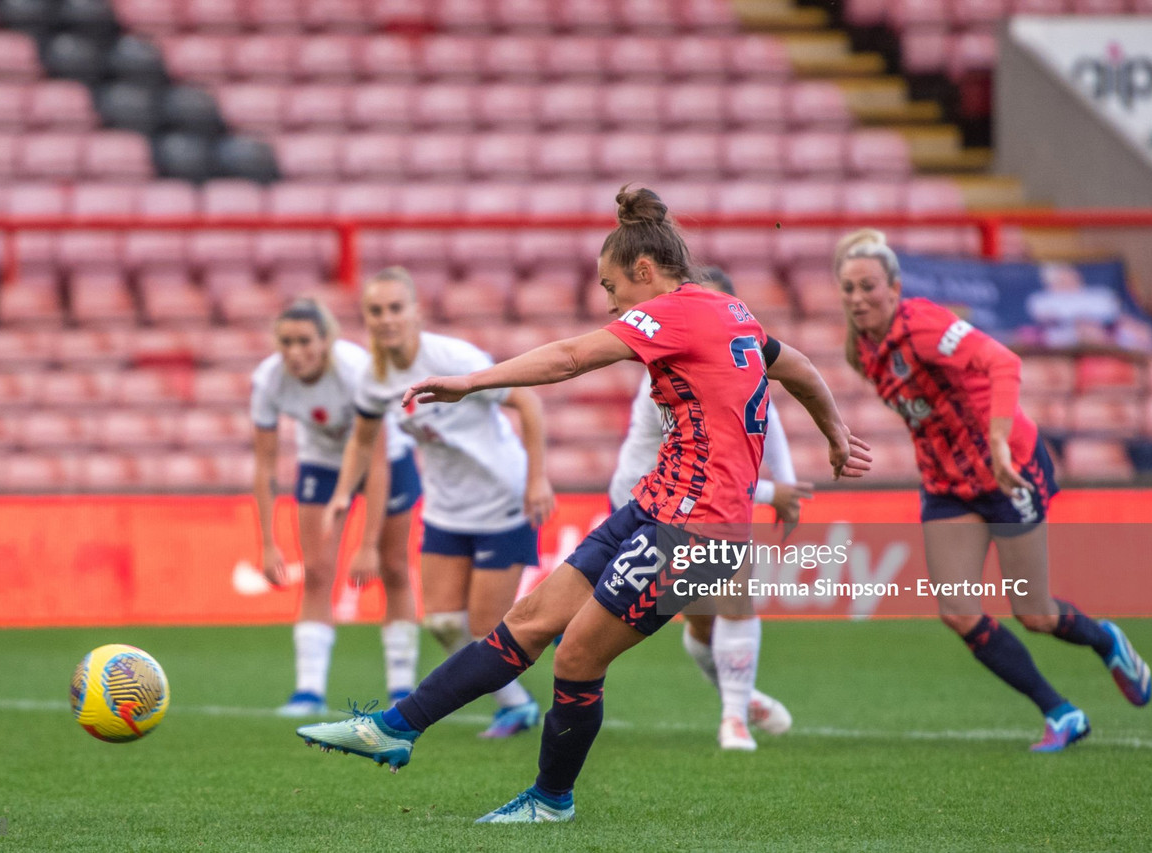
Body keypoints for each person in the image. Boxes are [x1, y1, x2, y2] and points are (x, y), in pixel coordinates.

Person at [296, 187, 871, 822]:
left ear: (644, 272)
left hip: (695, 531)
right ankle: (396, 727)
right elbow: (802, 370)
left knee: (576, 654)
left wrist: (472, 380)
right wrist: (835, 433)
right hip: (652, 509)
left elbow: (571, 357)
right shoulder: (732, 312)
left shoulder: (674, 311)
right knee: (529, 622)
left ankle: (551, 800)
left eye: (611, 286)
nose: (610, 303)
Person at [836, 228, 1152, 752]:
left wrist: (999, 441)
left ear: (894, 288)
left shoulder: (924, 326)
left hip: (1007, 469)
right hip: (946, 483)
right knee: (958, 611)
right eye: (848, 289)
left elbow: (1003, 362)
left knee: (1034, 613)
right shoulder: (863, 350)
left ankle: (1105, 639)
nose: (857, 298)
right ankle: (1062, 712)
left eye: (868, 286)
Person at [324, 266, 555, 739]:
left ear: (415, 312)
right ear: (366, 319)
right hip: (446, 507)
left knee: (485, 627)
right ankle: (517, 705)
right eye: (376, 311)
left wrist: (537, 479)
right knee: (444, 622)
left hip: (502, 500)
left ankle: (523, 695)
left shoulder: (453, 356)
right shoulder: (374, 376)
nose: (386, 319)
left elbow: (527, 403)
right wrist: (344, 493)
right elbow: (362, 441)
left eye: (395, 308)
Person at [607, 265, 811, 751]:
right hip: (647, 503)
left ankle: (734, 719)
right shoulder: (669, 375)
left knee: (734, 593)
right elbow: (679, 464)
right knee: (700, 619)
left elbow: (767, 420)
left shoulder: (739, 367)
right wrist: (769, 494)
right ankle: (739, 696)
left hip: (708, 502)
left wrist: (782, 484)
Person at [251, 298, 423, 717]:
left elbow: (376, 460)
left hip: (388, 458)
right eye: (286, 342)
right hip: (323, 461)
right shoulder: (269, 380)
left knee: (394, 567)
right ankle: (308, 692)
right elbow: (264, 465)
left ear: (326, 341)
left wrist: (366, 544)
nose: (295, 352)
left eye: (305, 341)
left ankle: (402, 689)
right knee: (317, 571)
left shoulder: (356, 370)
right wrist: (268, 543)